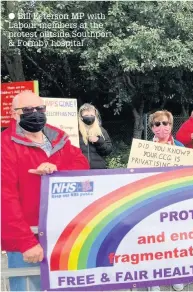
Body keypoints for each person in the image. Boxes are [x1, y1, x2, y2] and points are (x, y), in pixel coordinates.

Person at [1, 91, 90, 291]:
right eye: (27, 110)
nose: (35, 113)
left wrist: (57, 169)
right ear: (14, 114)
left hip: (61, 235)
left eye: (40, 109)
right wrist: (25, 242)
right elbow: (5, 197)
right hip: (28, 239)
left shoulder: (57, 136)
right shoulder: (4, 144)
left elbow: (81, 163)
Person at [148, 110, 193, 291]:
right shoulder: (144, 150)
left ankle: (176, 274)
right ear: (152, 127)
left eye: (165, 123)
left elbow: (188, 175)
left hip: (175, 201)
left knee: (176, 240)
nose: (162, 127)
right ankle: (153, 280)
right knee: (154, 241)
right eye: (157, 124)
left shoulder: (181, 148)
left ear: (171, 125)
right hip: (152, 201)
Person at [78, 103, 112, 169]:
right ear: (81, 117)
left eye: (91, 115)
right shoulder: (75, 131)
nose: (89, 117)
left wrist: (98, 141)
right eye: (86, 115)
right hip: (80, 170)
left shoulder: (101, 130)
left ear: (95, 116)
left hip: (98, 170)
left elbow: (108, 150)